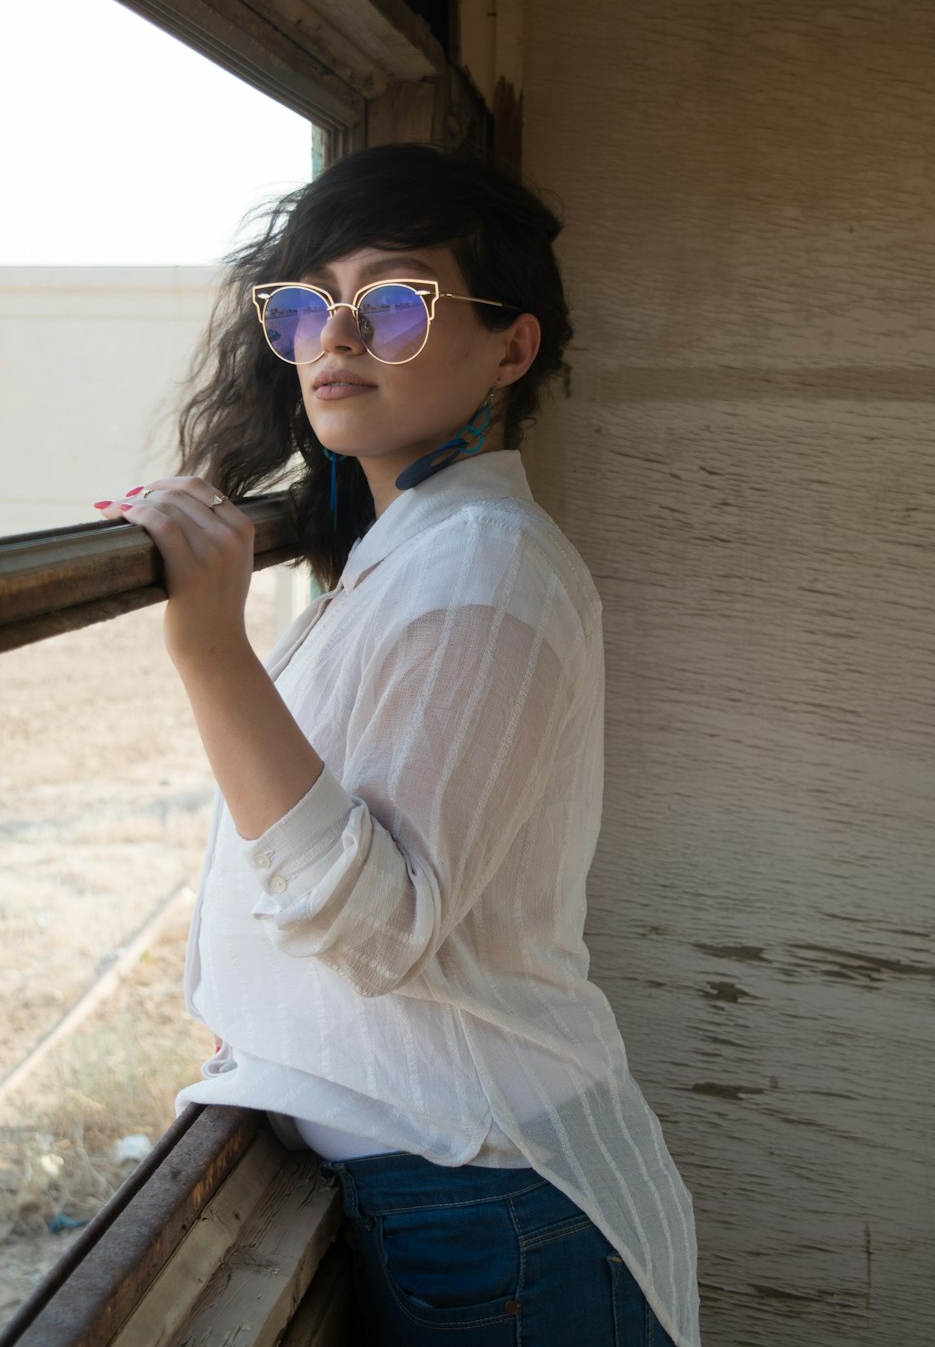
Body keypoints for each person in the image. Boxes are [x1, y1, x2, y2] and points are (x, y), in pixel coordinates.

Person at [93, 144, 701, 1346]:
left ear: (509, 350)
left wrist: (210, 649)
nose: (338, 336)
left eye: (396, 300)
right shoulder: (408, 552)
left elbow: (378, 924)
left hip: (491, 1207)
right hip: (461, 1190)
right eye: (312, 303)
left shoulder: (483, 569)